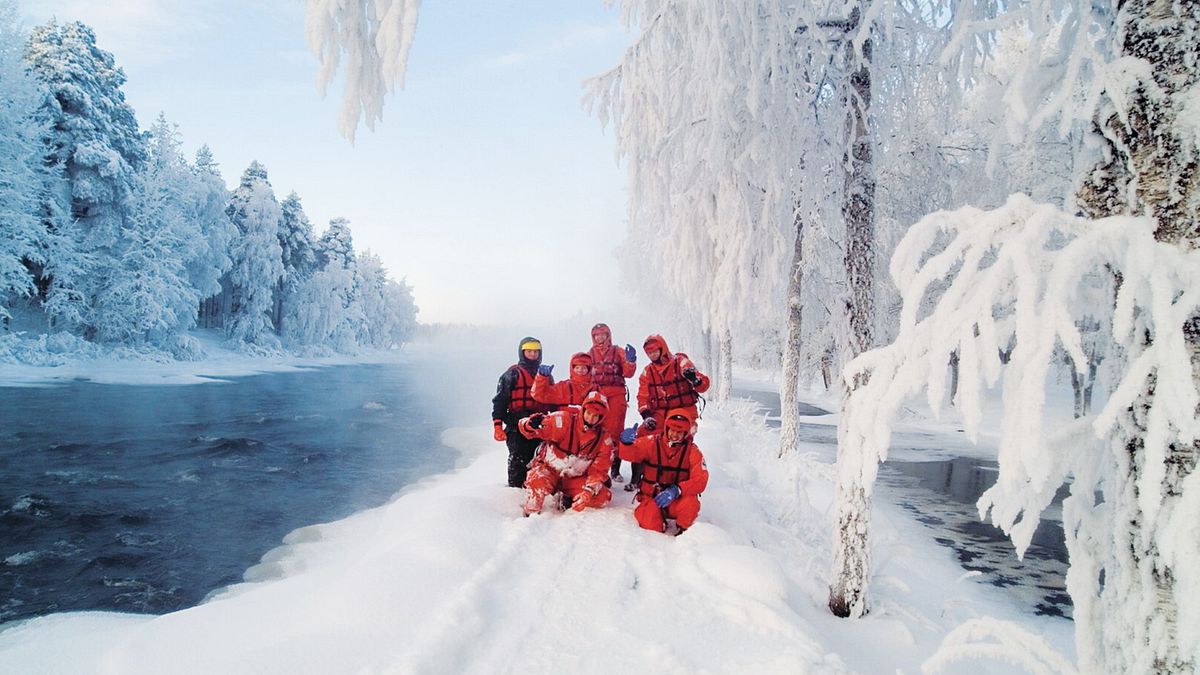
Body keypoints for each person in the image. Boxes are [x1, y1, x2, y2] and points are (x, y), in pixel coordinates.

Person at [628, 334, 710, 491]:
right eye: (648, 353)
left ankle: (679, 481)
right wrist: (647, 416)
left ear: (662, 348)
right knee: (642, 435)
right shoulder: (647, 372)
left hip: (684, 410)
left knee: (681, 440)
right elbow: (642, 396)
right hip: (660, 412)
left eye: (654, 351)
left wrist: (695, 380)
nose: (652, 355)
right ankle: (637, 479)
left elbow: (703, 384)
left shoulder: (681, 363)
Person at [517, 391, 615, 516]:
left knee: (602, 497)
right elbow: (526, 428)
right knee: (537, 481)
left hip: (574, 478)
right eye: (589, 413)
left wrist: (588, 492)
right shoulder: (563, 420)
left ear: (601, 418)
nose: (591, 418)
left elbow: (599, 470)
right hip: (549, 470)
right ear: (583, 409)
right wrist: (530, 424)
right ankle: (530, 514)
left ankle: (567, 498)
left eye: (596, 416)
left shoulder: (604, 440)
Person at [618, 408, 709, 535]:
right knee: (650, 523)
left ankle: (684, 531)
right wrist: (626, 443)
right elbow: (630, 454)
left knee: (690, 504)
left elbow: (701, 479)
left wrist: (677, 490)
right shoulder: (651, 442)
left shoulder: (693, 452)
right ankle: (659, 524)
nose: (675, 435)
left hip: (676, 499)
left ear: (686, 433)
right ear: (666, 428)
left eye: (680, 432)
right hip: (651, 498)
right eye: (672, 430)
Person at [492, 336, 553, 488]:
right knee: (518, 460)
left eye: (535, 352)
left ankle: (537, 491)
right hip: (516, 425)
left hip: (540, 425)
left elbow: (553, 400)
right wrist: (497, 426)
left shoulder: (545, 375)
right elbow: (500, 401)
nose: (533, 355)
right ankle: (516, 491)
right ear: (522, 352)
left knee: (540, 460)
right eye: (529, 351)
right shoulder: (512, 374)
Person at [587, 323, 637, 483]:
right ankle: (599, 468)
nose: (600, 338)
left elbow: (628, 373)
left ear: (608, 335)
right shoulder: (590, 354)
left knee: (615, 432)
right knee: (596, 430)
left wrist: (631, 361)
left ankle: (615, 469)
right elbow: (584, 375)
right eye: (597, 335)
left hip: (616, 394)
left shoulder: (618, 351)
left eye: (603, 334)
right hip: (598, 394)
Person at [530, 352, 598, 407]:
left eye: (583, 368)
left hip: (587, 422)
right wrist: (542, 377)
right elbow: (539, 395)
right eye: (577, 367)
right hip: (565, 422)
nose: (580, 370)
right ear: (572, 369)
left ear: (589, 370)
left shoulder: (595, 389)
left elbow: (603, 410)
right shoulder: (563, 387)